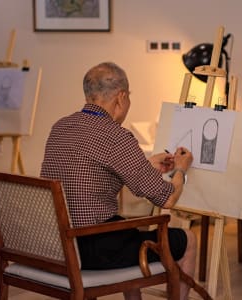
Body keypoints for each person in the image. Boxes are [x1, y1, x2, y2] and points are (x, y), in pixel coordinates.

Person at [40, 62, 195, 300]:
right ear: (121, 98)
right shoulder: (116, 136)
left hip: (56, 244)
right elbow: (168, 198)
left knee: (125, 231)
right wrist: (181, 171)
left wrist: (145, 165)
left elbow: (90, 175)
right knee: (187, 240)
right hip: (93, 250)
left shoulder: (60, 126)